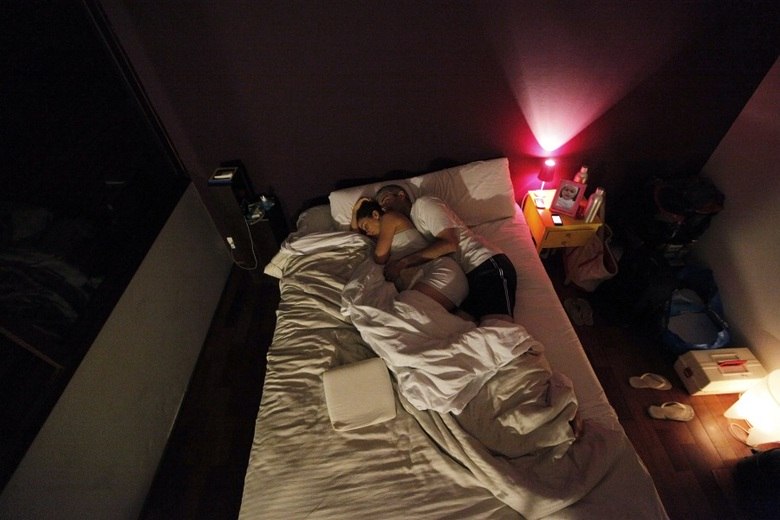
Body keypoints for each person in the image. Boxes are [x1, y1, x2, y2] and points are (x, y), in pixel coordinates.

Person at [375, 185, 516, 323]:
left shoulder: (424, 204)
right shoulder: (414, 223)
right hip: (468, 277)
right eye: (381, 207)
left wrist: (403, 263)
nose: (384, 208)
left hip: (485, 263)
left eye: (386, 200)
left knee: (499, 326)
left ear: (401, 195)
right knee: (460, 327)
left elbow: (450, 244)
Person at [351, 197, 467, 312]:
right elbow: (355, 240)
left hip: (438, 271)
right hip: (427, 281)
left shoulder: (389, 218)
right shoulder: (381, 239)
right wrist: (354, 212)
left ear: (375, 214)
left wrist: (356, 212)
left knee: (402, 311)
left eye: (366, 226)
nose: (367, 233)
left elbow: (379, 258)